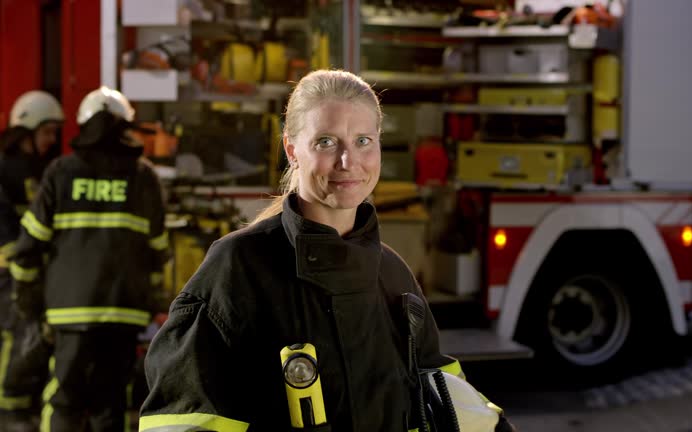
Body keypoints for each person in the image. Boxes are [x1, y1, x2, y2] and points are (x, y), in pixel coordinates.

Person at [139, 70, 514, 432]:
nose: (348, 162)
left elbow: (450, 407)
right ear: (292, 149)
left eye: (363, 141)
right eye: (326, 142)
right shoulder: (238, 269)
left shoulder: (393, 277)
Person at [10, 86, 168, 432]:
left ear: (82, 126)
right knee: (110, 407)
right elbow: (160, 251)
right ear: (126, 127)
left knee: (64, 401)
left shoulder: (60, 172)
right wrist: (151, 301)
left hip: (68, 314)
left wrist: (29, 302)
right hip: (123, 314)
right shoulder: (144, 178)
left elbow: (28, 247)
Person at [0, 90, 64, 431]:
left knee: (35, 338)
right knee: (15, 336)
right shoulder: (4, 169)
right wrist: (17, 251)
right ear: (26, 130)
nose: (51, 140)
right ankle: (8, 410)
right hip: (8, 270)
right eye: (47, 132)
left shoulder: (45, 171)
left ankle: (22, 406)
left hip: (37, 270)